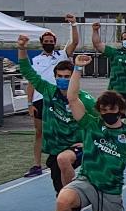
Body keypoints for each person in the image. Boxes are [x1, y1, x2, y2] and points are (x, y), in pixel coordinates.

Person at [49, 53, 126, 211]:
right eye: (105, 110)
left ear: (120, 110)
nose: (109, 113)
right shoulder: (91, 125)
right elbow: (72, 98)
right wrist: (78, 69)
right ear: (99, 111)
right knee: (63, 200)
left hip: (110, 190)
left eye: (113, 110)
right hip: (87, 181)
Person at [17, 35, 93, 195]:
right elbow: (26, 71)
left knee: (63, 160)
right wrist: (22, 48)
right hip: (55, 147)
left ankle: (72, 201)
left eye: (67, 77)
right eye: (60, 76)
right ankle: (68, 196)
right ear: (55, 77)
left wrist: (88, 142)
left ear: (73, 77)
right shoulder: (48, 91)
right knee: (58, 180)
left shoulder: (84, 99)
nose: (63, 79)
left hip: (76, 146)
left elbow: (102, 120)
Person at [23, 17, 78, 177]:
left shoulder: (62, 55)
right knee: (39, 132)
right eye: (46, 41)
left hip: (60, 99)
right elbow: (32, 82)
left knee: (63, 129)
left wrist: (73, 24)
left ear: (55, 42)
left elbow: (74, 42)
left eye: (51, 40)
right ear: (42, 43)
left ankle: (66, 159)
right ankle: (36, 165)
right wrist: (29, 103)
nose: (48, 43)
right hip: (40, 100)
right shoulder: (36, 60)